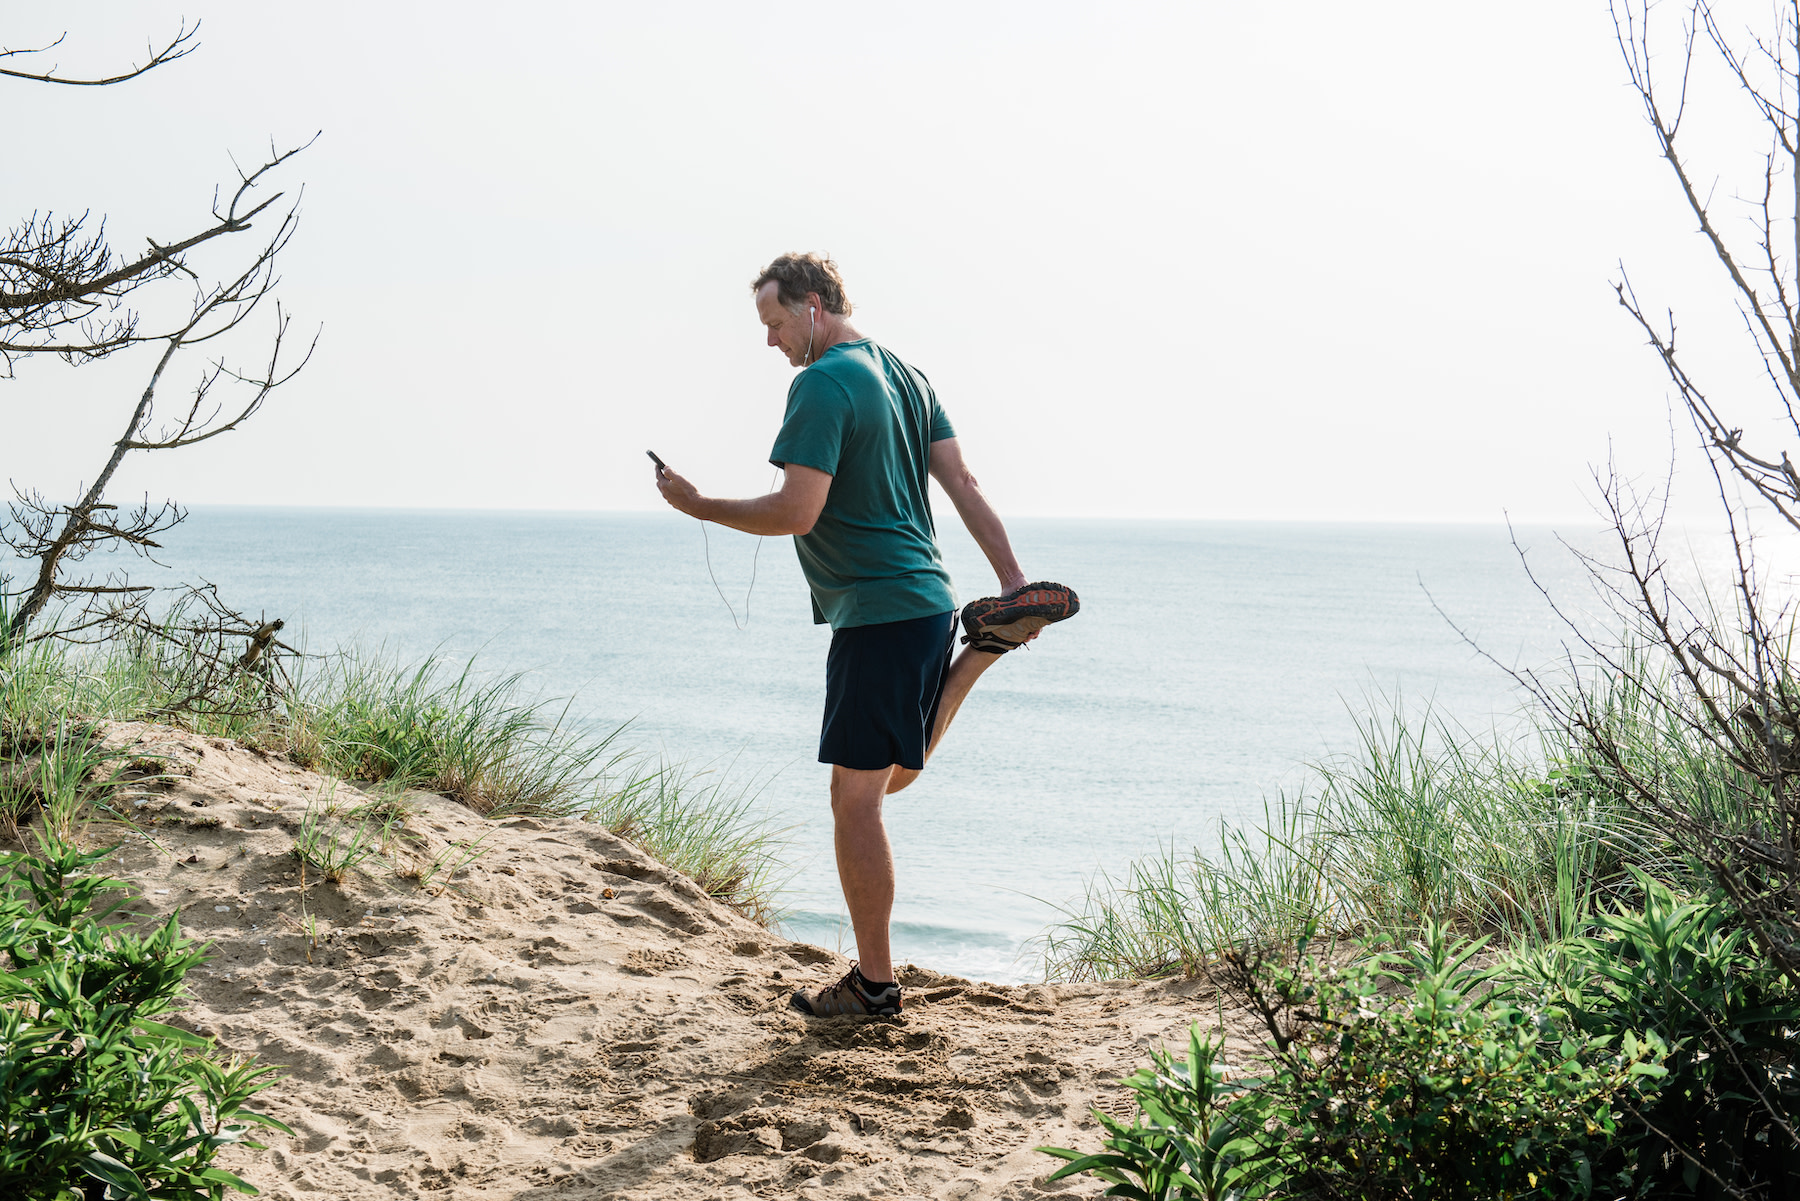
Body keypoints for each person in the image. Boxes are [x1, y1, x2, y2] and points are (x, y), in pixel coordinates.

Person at [654, 252, 1078, 1017]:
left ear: (813, 306)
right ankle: (984, 645)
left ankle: (875, 986)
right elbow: (966, 485)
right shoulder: (908, 376)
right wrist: (1014, 582)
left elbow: (794, 513)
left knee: (857, 801)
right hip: (923, 600)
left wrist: (699, 505)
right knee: (889, 777)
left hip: (880, 610)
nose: (772, 341)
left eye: (776, 322)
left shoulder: (819, 383)